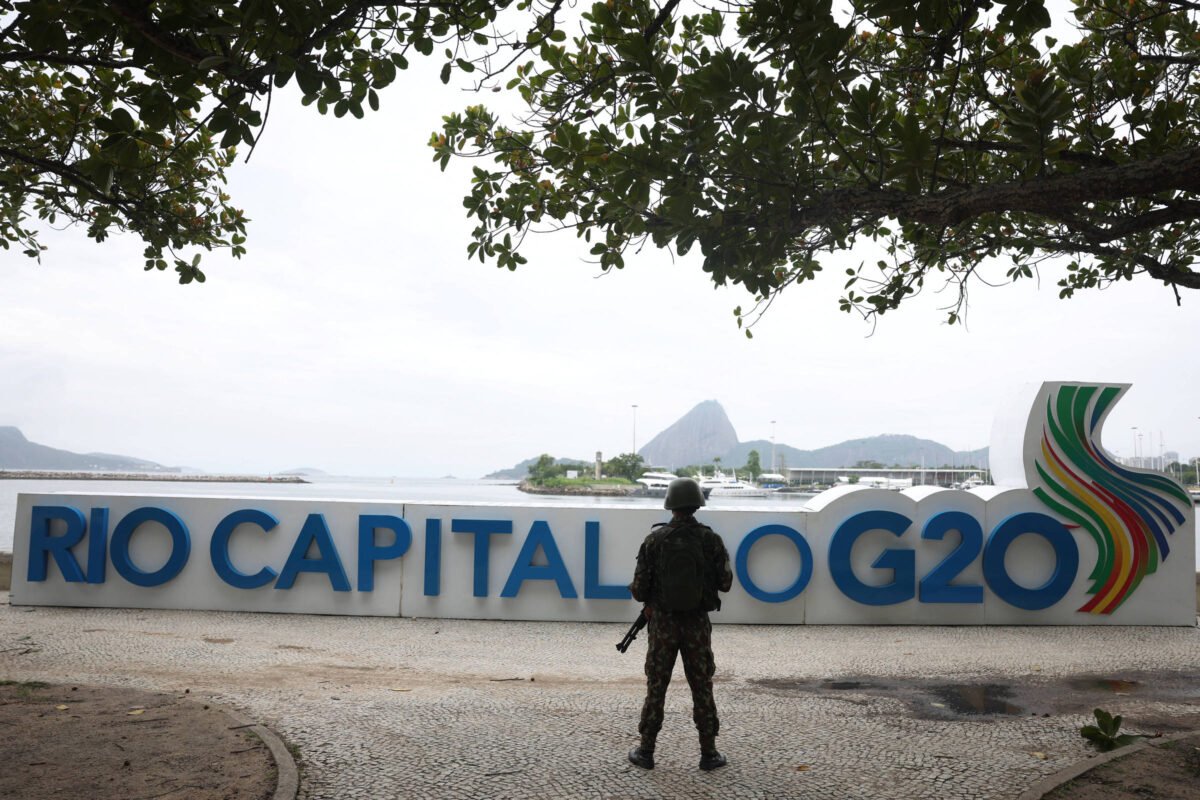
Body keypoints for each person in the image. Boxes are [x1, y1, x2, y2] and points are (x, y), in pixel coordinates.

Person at [627, 477, 733, 771]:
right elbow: (725, 583)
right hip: (697, 625)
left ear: (670, 504)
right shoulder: (711, 540)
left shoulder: (654, 540)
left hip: (663, 625)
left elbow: (639, 589)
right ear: (697, 503)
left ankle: (646, 751)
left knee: (656, 686)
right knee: (702, 686)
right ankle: (709, 753)